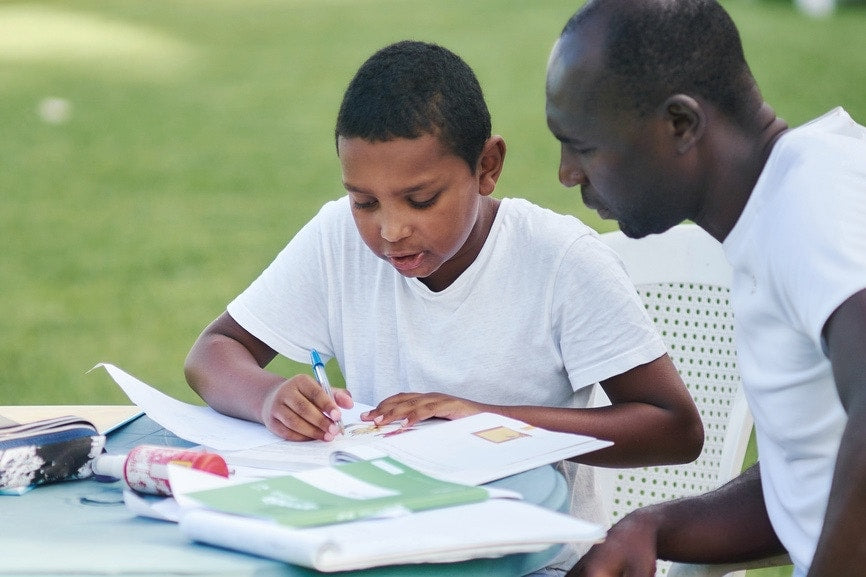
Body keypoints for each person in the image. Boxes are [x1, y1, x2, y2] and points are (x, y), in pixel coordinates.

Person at [185, 39, 704, 573]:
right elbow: (212, 353)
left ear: (487, 167)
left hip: (530, 561)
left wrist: (487, 422)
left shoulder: (561, 262)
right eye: (364, 202)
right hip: (376, 548)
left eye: (421, 199)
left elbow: (674, 427)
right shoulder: (336, 240)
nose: (390, 230)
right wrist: (269, 396)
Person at [544, 1, 866, 576]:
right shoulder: (778, 212)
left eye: (584, 145)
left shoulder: (815, 203)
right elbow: (815, 480)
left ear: (681, 124)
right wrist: (653, 526)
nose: (568, 172)